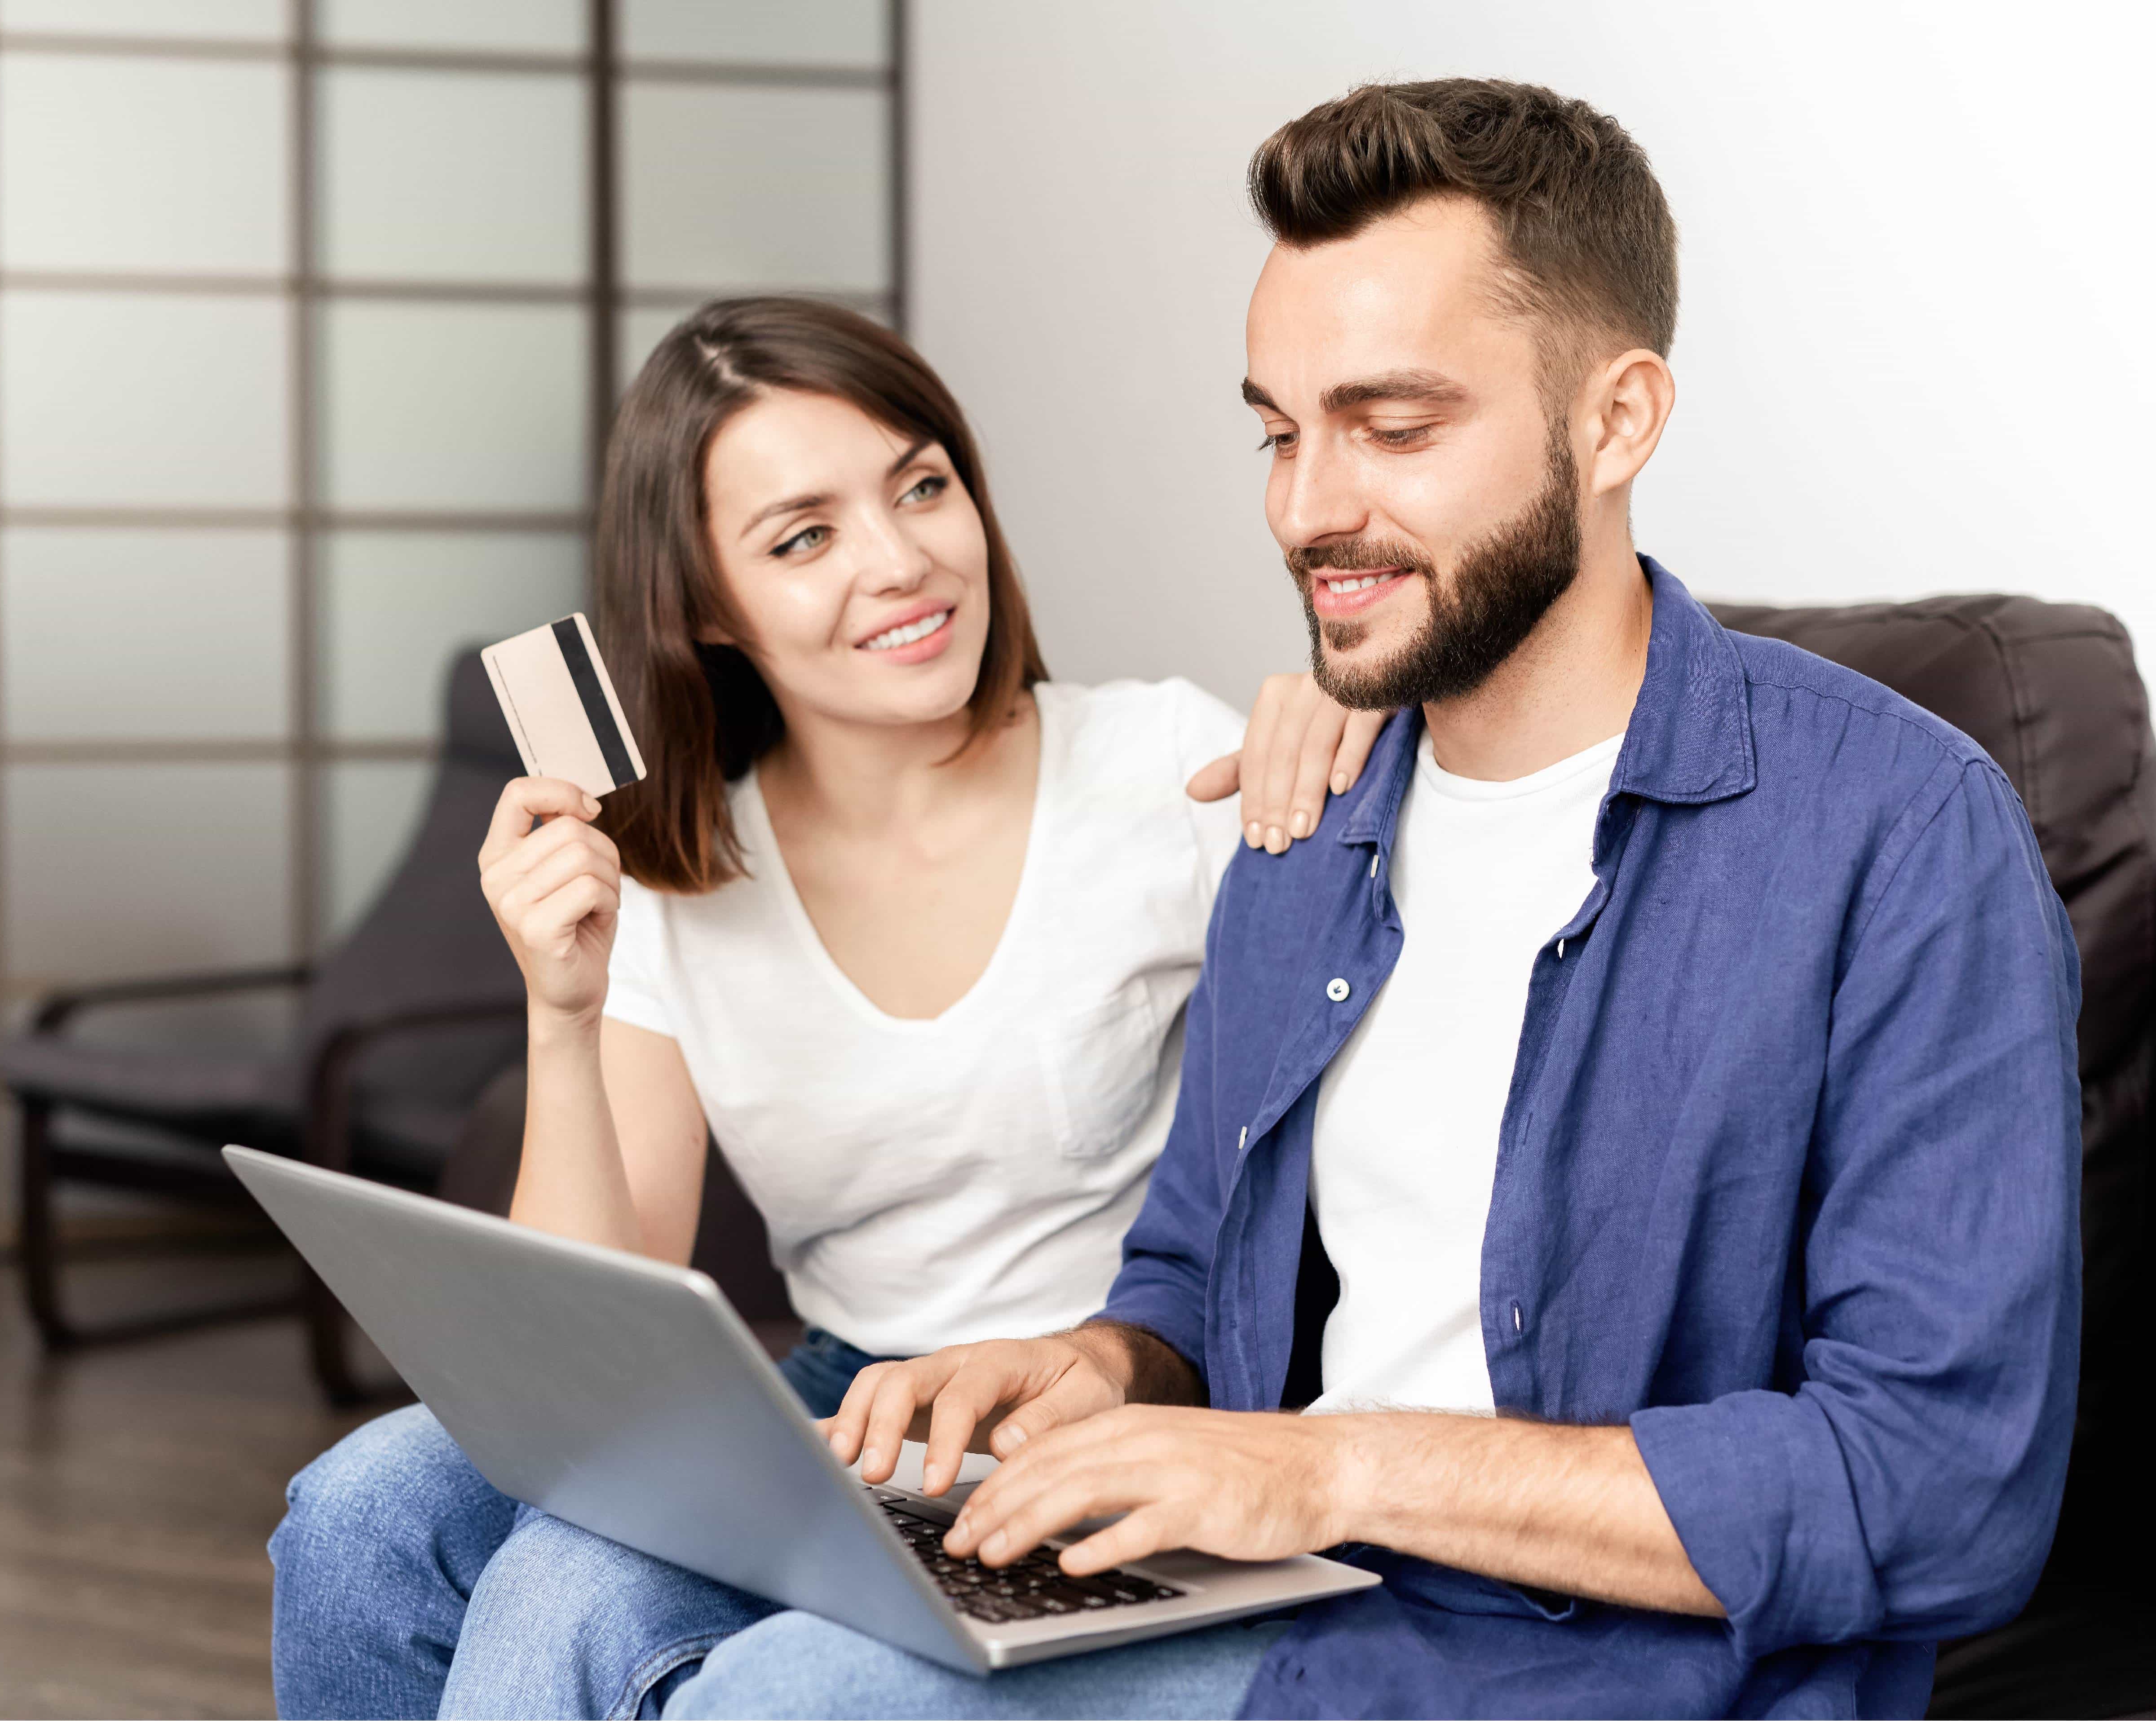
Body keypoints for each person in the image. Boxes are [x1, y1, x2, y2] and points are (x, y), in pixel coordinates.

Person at [436, 79, 2083, 1721]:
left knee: (793, 1700)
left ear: (1618, 420)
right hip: (1276, 1582)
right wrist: (1089, 1369)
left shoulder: (1893, 832)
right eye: (1280, 432)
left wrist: (1325, 1471)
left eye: (1396, 427)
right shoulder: (1307, 817)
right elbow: (1188, 1275)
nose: (1305, 510)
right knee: (555, 1595)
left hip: (1583, 1652)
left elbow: (1938, 1488)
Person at [265, 296, 1380, 1719]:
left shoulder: (1171, 769)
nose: (902, 561)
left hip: (1116, 1386)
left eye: (922, 487)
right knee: (367, 1507)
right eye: (805, 538)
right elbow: (584, 1343)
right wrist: (560, 1009)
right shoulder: (681, 871)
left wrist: (1355, 731)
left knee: (568, 1591)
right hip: (849, 1406)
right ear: (707, 611)